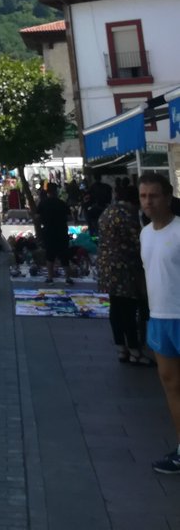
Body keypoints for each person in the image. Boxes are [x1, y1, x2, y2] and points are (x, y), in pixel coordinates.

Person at [139, 172, 180, 473]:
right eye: (143, 196)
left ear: (167, 197)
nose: (148, 202)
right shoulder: (145, 234)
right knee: (171, 385)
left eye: (153, 195)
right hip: (159, 318)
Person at [97, 186, 152, 367]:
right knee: (128, 309)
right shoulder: (127, 216)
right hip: (125, 268)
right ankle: (135, 350)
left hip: (107, 267)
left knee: (116, 308)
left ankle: (121, 348)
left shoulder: (107, 212)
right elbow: (138, 242)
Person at [37, 183, 73, 285]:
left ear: (47, 191)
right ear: (56, 191)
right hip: (61, 231)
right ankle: (68, 278)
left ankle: (50, 278)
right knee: (64, 255)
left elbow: (37, 217)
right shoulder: (62, 203)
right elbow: (70, 217)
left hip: (48, 232)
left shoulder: (43, 203)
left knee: (50, 255)